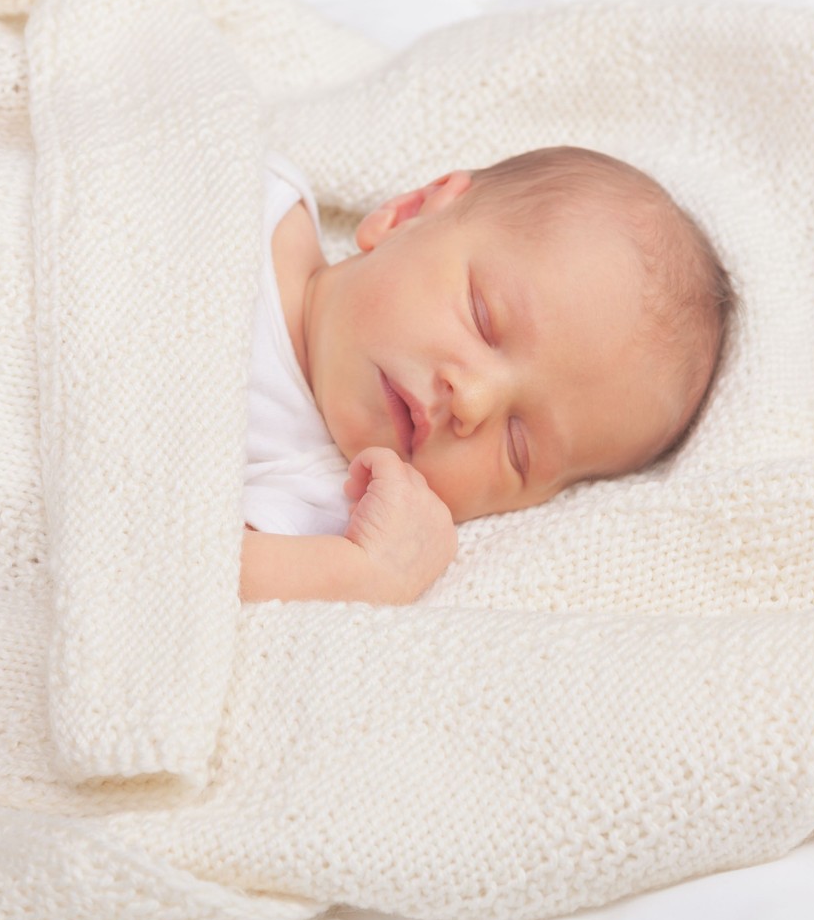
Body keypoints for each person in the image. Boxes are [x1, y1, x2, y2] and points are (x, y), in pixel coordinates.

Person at [238, 145, 733, 604]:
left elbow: (184, 570)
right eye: (482, 318)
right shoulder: (252, 193)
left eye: (518, 446)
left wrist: (370, 576)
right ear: (410, 213)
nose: (471, 401)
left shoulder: (324, 511)